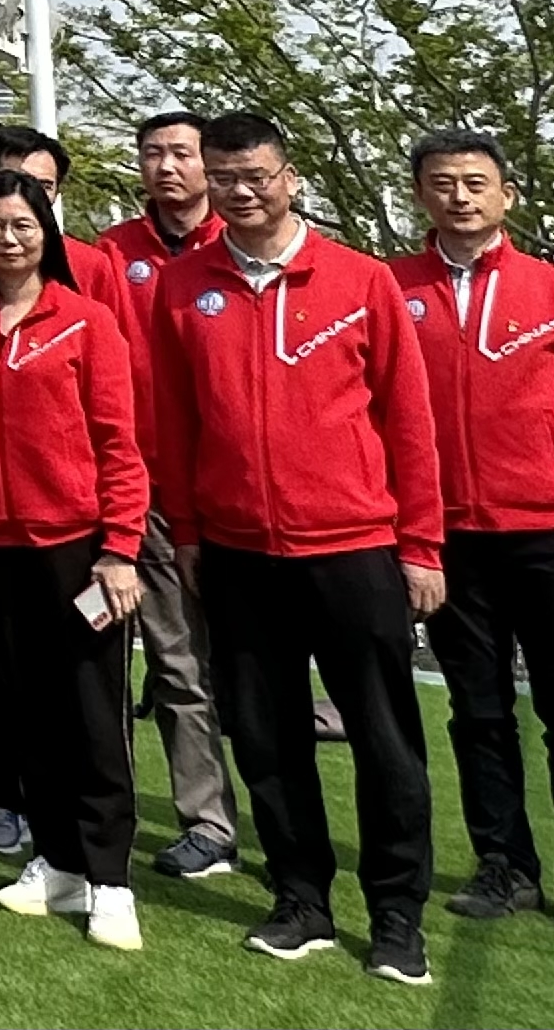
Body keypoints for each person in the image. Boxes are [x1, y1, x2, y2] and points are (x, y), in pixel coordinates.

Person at [154, 113, 446, 985]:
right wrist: (190, 534)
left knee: (383, 739)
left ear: (290, 177)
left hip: (353, 547)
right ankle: (299, 898)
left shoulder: (359, 278)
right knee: (265, 735)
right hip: (237, 551)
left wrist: (421, 544)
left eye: (256, 175)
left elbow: (408, 420)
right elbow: (174, 423)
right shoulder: (181, 286)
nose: (241, 191)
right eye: (223, 177)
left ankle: (395, 913)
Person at [394, 129, 554, 947]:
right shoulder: (392, 287)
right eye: (441, 182)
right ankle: (503, 863)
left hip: (550, 532)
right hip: (446, 537)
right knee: (477, 710)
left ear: (506, 194)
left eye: (474, 181)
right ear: (420, 194)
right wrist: (408, 533)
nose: (459, 195)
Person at [0, 170, 150, 952]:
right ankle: (58, 860)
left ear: (46, 232)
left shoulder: (86, 320)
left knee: (92, 714)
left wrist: (120, 547)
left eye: (22, 224)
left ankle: (110, 878)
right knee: (25, 708)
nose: (7, 238)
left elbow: (117, 443)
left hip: (76, 549)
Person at [95, 107, 239, 878]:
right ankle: (206, 822)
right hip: (147, 490)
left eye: (181, 152)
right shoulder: (111, 252)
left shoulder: (242, 244)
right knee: (175, 664)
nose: (166, 166)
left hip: (239, 493)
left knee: (255, 670)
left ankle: (288, 825)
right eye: (152, 152)